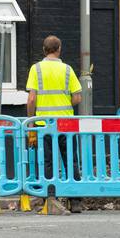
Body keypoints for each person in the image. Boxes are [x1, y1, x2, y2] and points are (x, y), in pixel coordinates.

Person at [26, 35, 83, 213]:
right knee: (71, 161)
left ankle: (51, 198)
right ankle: (75, 201)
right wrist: (63, 106)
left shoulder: (36, 69)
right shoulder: (67, 70)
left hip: (44, 124)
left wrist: (31, 121)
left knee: (48, 162)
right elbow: (77, 97)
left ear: (44, 50)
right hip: (66, 123)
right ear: (59, 49)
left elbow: (32, 98)